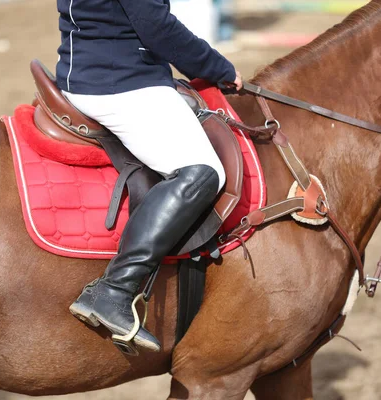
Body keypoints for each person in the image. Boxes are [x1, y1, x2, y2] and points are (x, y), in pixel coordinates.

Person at [56, 0, 243, 353]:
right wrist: (218, 67)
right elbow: (155, 26)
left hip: (88, 65)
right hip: (119, 81)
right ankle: (114, 290)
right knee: (201, 172)